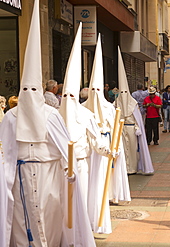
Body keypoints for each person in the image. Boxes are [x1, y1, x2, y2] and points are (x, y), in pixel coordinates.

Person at [0, 1, 95, 245]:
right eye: (26, 90)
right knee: (22, 223)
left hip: (48, 173)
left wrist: (69, 170)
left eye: (34, 89)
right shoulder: (11, 116)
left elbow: (65, 146)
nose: (30, 94)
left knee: (49, 217)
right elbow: (6, 150)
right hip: (20, 174)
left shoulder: (51, 115)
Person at [82, 35, 131, 234]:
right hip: (88, 149)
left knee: (106, 174)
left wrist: (115, 147)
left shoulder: (110, 108)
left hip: (107, 142)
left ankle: (111, 195)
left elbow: (115, 126)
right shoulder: (82, 108)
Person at [59, 24, 110, 207]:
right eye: (65, 96)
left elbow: (95, 138)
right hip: (59, 168)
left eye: (71, 96)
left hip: (81, 164)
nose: (68, 99)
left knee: (80, 202)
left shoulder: (86, 115)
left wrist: (107, 150)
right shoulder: (54, 116)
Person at [115, 46, 154, 175]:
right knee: (121, 148)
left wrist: (137, 127)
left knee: (131, 149)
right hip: (120, 129)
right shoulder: (116, 102)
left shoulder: (133, 103)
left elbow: (137, 117)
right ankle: (123, 167)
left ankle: (132, 167)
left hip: (131, 129)